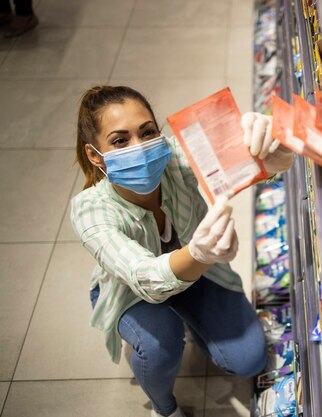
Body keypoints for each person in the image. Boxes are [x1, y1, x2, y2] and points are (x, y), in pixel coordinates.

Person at [71, 85, 293, 417]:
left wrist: (274, 151)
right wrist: (199, 254)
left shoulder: (175, 156)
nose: (140, 148)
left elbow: (248, 159)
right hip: (131, 294)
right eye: (120, 141)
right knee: (161, 343)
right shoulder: (89, 210)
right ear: (94, 154)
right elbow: (142, 278)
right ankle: (163, 407)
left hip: (197, 275)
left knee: (249, 359)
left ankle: (196, 323)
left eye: (147, 132)